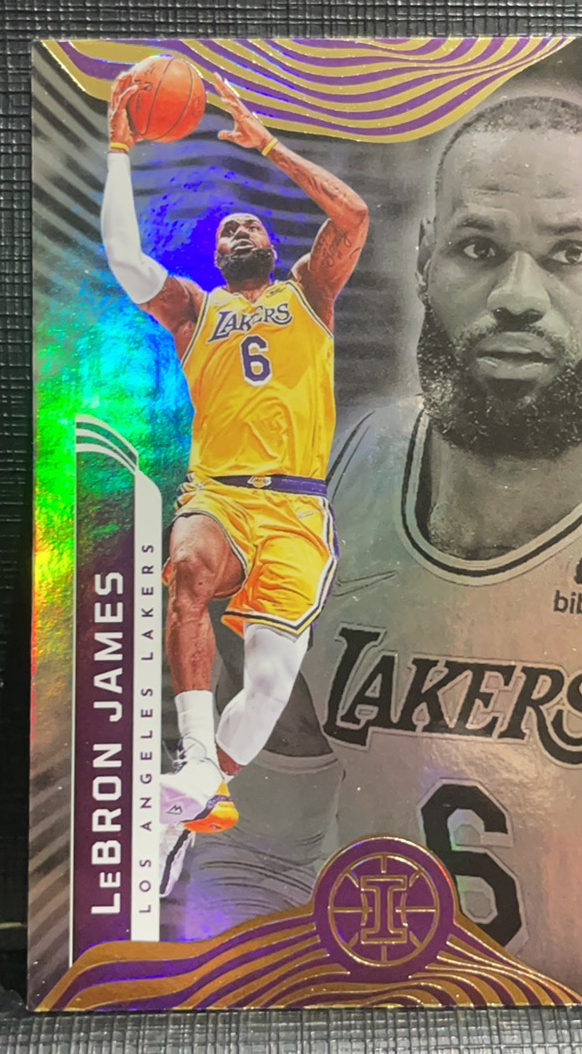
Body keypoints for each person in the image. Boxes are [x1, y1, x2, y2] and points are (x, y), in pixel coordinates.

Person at [173, 95, 582, 1004]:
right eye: (478, 248)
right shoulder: (338, 481)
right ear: (425, 258)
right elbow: (260, 855)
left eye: (569, 253)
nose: (517, 297)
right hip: (388, 1029)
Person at [100, 71, 368, 896]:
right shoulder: (195, 311)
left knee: (267, 688)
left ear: (272, 248)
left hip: (297, 511)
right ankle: (191, 756)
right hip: (218, 492)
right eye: (228, 230)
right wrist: (120, 147)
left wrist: (269, 147)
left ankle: (185, 801)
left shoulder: (309, 293)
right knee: (186, 568)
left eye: (253, 224)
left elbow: (353, 217)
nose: (242, 229)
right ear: (217, 258)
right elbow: (123, 258)